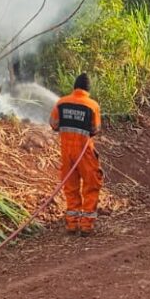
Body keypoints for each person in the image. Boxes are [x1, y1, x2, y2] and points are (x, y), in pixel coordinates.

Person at [49, 73, 103, 236]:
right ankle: (86, 226)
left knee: (70, 187)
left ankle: (72, 225)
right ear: (88, 89)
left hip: (67, 152)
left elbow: (53, 124)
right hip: (84, 153)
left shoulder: (61, 102)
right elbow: (95, 129)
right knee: (91, 185)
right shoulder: (92, 105)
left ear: (74, 87)